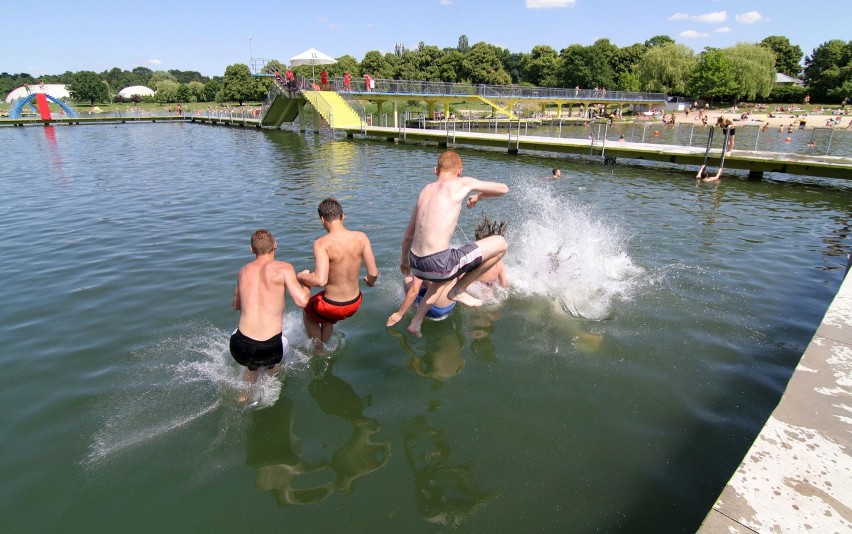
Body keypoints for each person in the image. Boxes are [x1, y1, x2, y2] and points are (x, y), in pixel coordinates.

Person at [401, 150, 509, 337]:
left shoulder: (425, 190)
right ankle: (459, 290)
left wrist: (404, 261)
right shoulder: (462, 182)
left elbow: (408, 235)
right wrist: (478, 196)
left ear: (436, 170)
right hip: (438, 264)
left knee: (443, 271)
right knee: (501, 244)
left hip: (416, 264)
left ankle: (416, 322)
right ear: (459, 171)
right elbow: (503, 189)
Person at [230, 230, 310, 389]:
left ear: (251, 249)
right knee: (274, 361)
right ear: (275, 245)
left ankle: (245, 394)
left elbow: (236, 306)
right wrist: (307, 284)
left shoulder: (243, 271)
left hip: (239, 346)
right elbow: (302, 301)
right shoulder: (284, 268)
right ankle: (271, 386)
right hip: (269, 349)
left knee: (251, 364)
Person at [298, 198, 379, 346]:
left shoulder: (321, 243)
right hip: (355, 302)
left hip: (332, 305)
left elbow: (320, 280)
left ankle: (319, 349)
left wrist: (301, 276)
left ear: (322, 219)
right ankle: (325, 341)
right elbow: (373, 273)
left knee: (307, 311)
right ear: (343, 216)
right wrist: (370, 282)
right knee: (325, 310)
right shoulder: (361, 237)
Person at [386, 269, 457, 327]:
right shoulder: (453, 256)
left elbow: (414, 292)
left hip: (434, 310)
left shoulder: (422, 263)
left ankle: (414, 310)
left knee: (407, 278)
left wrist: (399, 314)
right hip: (451, 303)